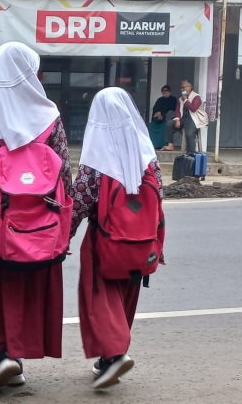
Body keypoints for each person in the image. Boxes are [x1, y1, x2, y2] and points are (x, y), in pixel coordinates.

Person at [0, 42, 71, 389]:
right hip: (41, 222)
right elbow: (64, 174)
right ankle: (18, 358)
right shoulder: (48, 114)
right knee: (27, 287)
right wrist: (62, 230)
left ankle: (0, 355)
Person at [69, 87, 164, 389]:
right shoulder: (147, 154)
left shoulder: (96, 158)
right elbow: (158, 200)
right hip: (142, 241)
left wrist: (65, 235)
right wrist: (157, 243)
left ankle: (114, 354)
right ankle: (109, 359)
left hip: (105, 241)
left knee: (100, 296)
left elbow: (80, 201)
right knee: (126, 296)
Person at [162, 80, 208, 152]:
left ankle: (191, 152)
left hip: (193, 119)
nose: (182, 90)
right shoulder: (181, 99)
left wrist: (186, 100)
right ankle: (170, 145)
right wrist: (177, 119)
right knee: (169, 124)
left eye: (183, 88)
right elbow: (177, 110)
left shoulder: (196, 97)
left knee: (189, 133)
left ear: (189, 88)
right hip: (183, 118)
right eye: (181, 88)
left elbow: (193, 108)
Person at [149, 85, 177, 150]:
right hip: (158, 118)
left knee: (166, 125)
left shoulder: (173, 99)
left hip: (167, 119)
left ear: (169, 91)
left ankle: (164, 144)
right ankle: (154, 144)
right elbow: (155, 108)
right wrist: (157, 114)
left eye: (166, 90)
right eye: (163, 91)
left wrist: (163, 116)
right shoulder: (159, 100)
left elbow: (172, 110)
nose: (164, 92)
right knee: (151, 125)